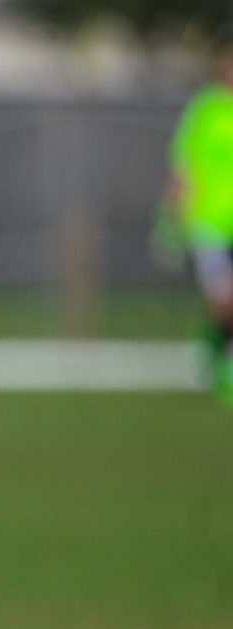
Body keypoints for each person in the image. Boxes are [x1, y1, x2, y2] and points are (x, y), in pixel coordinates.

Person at [162, 29, 233, 406]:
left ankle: (222, 354)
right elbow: (183, 166)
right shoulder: (204, 110)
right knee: (224, 296)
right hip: (209, 222)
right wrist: (170, 216)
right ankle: (220, 347)